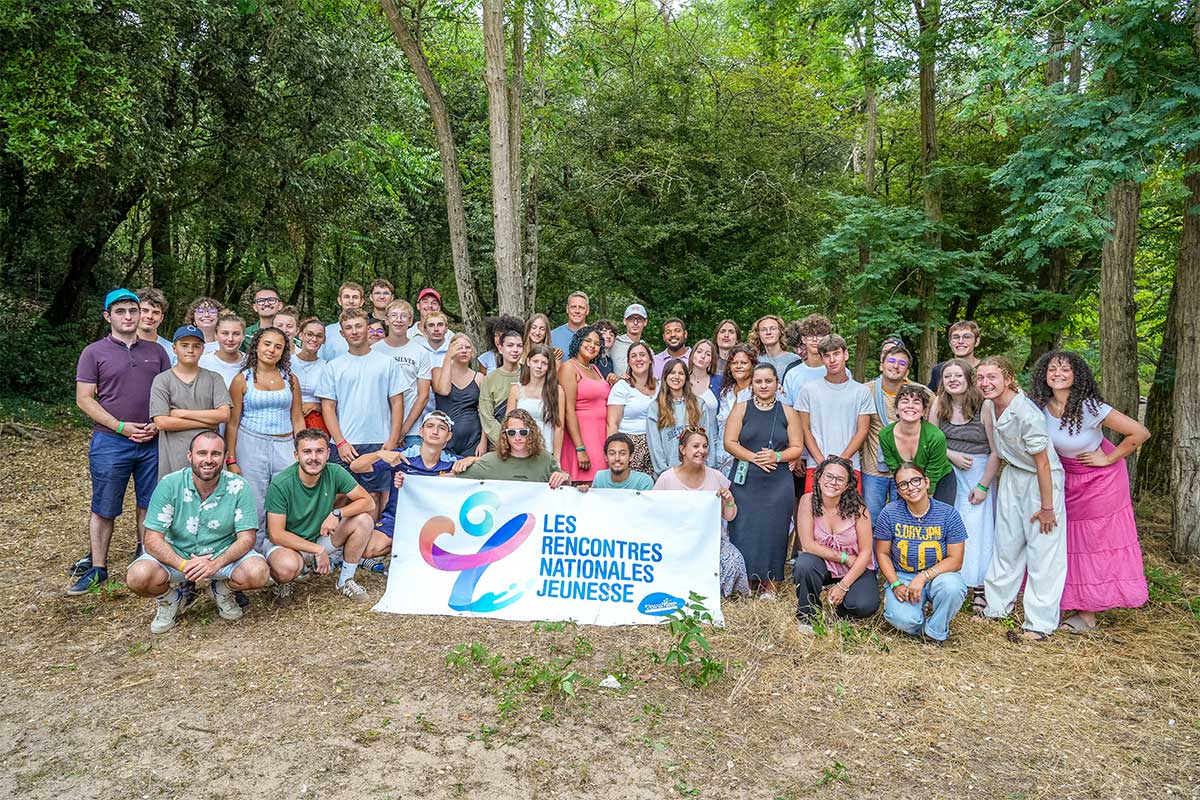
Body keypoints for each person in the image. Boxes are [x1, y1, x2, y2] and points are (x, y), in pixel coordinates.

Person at [1029, 351, 1149, 633]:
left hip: (1100, 481)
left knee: (1090, 544)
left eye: (1065, 370)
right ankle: (1063, 600)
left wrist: (1108, 458)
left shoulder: (1090, 407)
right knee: (1065, 541)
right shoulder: (1039, 407)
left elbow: (1140, 433)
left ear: (1077, 375)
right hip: (1063, 478)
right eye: (1052, 369)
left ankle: (1087, 613)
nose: (1057, 374)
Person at [69, 288, 173, 594]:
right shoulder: (94, 352)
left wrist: (157, 423)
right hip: (111, 441)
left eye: (132, 311)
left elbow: (168, 392)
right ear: (108, 316)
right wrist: (121, 427)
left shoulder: (156, 352)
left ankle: (147, 559)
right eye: (120, 312)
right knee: (104, 506)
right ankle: (98, 568)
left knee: (149, 503)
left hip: (152, 440)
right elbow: (84, 399)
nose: (128, 317)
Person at [126, 431, 269, 632]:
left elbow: (247, 538)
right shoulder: (170, 484)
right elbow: (151, 538)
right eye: (202, 453)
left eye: (215, 454)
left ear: (225, 457)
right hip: (177, 555)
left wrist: (215, 564)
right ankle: (169, 600)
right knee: (138, 577)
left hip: (222, 555)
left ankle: (221, 591)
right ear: (190, 456)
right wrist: (183, 565)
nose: (208, 460)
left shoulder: (238, 486)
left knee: (258, 572)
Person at [977, 356, 1067, 643]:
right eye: (981, 378)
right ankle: (996, 607)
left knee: (1043, 550)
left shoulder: (1027, 413)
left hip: (1041, 480)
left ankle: (1039, 622)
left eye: (992, 377)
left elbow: (1043, 463)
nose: (985, 383)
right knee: (1006, 543)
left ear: (1008, 378)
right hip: (1013, 475)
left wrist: (1047, 507)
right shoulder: (990, 405)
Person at [265, 429, 377, 603]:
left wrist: (337, 513)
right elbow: (276, 534)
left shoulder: (334, 472)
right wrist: (317, 550)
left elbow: (368, 502)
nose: (314, 458)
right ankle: (286, 582)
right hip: (288, 545)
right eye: (307, 452)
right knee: (287, 567)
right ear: (296, 455)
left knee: (364, 520)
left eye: (319, 451)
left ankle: (345, 580)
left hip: (319, 536)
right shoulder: (281, 483)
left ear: (328, 453)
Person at [723, 363, 805, 596]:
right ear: (751, 384)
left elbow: (797, 447)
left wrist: (776, 456)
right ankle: (744, 579)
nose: (763, 385)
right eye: (758, 381)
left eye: (768, 381)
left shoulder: (788, 412)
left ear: (777, 383)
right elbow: (729, 442)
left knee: (774, 528)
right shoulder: (741, 409)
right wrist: (754, 458)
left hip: (778, 480)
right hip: (746, 477)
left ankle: (771, 582)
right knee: (743, 527)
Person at [318, 308, 408, 516]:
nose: (355, 331)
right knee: (340, 496)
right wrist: (340, 442)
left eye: (359, 326)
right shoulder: (333, 366)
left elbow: (397, 403)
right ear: (342, 333)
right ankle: (338, 536)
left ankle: (370, 537)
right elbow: (328, 407)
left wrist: (392, 440)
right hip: (345, 442)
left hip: (378, 440)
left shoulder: (387, 363)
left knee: (374, 496)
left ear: (368, 328)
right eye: (349, 328)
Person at [350, 411, 460, 573]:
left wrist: (471, 461)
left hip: (434, 520)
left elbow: (485, 470)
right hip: (398, 517)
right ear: (421, 431)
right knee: (370, 549)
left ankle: (413, 552)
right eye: (430, 426)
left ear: (448, 436)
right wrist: (379, 454)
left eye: (441, 428)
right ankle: (405, 549)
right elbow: (356, 467)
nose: (435, 431)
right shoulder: (404, 456)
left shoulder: (452, 461)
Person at [929, 358, 998, 612]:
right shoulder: (939, 403)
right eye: (948, 376)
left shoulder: (984, 405)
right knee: (951, 524)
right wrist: (951, 455)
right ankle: (951, 580)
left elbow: (996, 451)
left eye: (958, 375)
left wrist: (983, 485)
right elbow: (930, 439)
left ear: (969, 378)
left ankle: (980, 585)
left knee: (979, 528)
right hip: (949, 471)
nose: (953, 380)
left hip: (980, 471)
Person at [226, 327, 304, 551]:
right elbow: (232, 422)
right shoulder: (242, 379)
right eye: (267, 344)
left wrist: (301, 451)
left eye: (278, 347)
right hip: (251, 443)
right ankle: (252, 552)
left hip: (285, 444)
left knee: (286, 497)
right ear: (257, 346)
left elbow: (297, 418)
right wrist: (231, 459)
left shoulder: (290, 379)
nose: (272, 350)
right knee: (254, 500)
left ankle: (281, 552)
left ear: (284, 352)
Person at [874, 462, 969, 643]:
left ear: (926, 482)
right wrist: (895, 584)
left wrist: (923, 576)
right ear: (899, 491)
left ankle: (935, 631)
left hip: (937, 576)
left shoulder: (948, 514)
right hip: (903, 576)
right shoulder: (890, 513)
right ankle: (919, 622)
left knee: (952, 587)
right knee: (901, 619)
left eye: (915, 480)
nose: (911, 487)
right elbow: (882, 554)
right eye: (903, 484)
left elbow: (956, 560)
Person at [653, 427, 749, 599]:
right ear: (682, 449)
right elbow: (653, 512)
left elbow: (730, 516)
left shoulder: (717, 477)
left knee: (734, 559)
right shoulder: (667, 479)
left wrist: (729, 500)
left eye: (705, 446)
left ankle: (719, 597)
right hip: (677, 541)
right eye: (696, 446)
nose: (702, 451)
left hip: (711, 542)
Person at [792, 456, 879, 632]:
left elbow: (865, 553)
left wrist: (842, 586)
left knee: (865, 605)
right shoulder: (807, 501)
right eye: (829, 476)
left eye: (840, 479)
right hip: (824, 563)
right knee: (804, 564)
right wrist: (844, 557)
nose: (833, 482)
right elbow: (808, 545)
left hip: (855, 567)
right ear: (819, 478)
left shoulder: (859, 509)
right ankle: (808, 615)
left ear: (847, 486)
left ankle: (841, 612)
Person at [149, 325, 232, 478]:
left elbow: (224, 415)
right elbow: (161, 422)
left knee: (213, 491)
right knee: (176, 491)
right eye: (184, 345)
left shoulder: (214, 378)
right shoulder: (162, 380)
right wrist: (208, 423)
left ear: (203, 349)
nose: (190, 350)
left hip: (210, 456)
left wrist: (180, 413)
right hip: (174, 455)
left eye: (196, 346)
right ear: (174, 348)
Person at [794, 334, 873, 492]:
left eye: (836, 354)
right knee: (813, 506)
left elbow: (863, 430)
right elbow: (804, 428)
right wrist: (821, 462)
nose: (832, 360)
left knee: (850, 508)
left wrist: (841, 461)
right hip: (816, 465)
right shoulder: (808, 390)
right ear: (822, 359)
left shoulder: (861, 391)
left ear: (846, 354)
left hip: (850, 465)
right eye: (827, 356)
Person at [859, 341, 916, 523]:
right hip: (873, 469)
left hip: (906, 467)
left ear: (907, 372)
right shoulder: (865, 391)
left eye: (902, 363)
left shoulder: (917, 394)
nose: (896, 366)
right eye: (891, 361)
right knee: (872, 519)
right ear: (881, 365)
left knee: (904, 518)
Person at [450, 409, 571, 486]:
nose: (517, 438)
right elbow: (450, 480)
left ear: (532, 433)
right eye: (512, 433)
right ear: (505, 435)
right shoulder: (490, 460)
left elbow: (566, 487)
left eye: (523, 432)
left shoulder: (545, 459)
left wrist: (565, 478)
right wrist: (433, 481)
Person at [879, 384, 955, 503]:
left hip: (939, 480)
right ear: (896, 409)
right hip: (906, 480)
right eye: (905, 401)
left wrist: (925, 499)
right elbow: (894, 466)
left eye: (916, 402)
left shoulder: (935, 436)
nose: (910, 406)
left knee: (936, 513)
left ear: (923, 411)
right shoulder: (885, 435)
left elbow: (933, 472)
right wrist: (907, 489)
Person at [373, 300, 433, 447]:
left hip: (411, 430)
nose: (398, 320)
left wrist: (403, 430)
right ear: (386, 320)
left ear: (410, 321)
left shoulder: (421, 352)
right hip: (380, 429)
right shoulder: (374, 350)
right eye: (394, 315)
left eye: (404, 316)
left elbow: (423, 395)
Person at [646, 358, 717, 477]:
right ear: (665, 377)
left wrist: (709, 469)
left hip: (697, 472)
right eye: (672, 373)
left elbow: (707, 437)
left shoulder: (699, 404)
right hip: (669, 473)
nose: (676, 377)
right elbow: (655, 445)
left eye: (681, 373)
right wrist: (664, 473)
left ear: (686, 378)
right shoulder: (655, 407)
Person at [558, 326, 611, 483]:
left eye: (597, 344)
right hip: (582, 438)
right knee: (584, 484)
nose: (592, 346)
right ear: (578, 343)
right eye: (587, 341)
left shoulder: (594, 368)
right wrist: (580, 448)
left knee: (601, 485)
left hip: (600, 436)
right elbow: (568, 410)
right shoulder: (568, 367)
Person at [507, 343, 565, 464]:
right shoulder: (516, 390)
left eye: (544, 363)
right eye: (535, 361)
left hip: (546, 448)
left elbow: (559, 427)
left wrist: (556, 459)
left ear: (549, 366)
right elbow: (508, 424)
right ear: (528, 362)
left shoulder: (557, 391)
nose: (539, 366)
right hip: (520, 449)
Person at [605, 341, 657, 474]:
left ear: (650, 360)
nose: (638, 359)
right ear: (629, 362)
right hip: (630, 446)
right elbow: (612, 424)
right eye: (633, 356)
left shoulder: (660, 387)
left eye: (642, 355)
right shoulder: (621, 387)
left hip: (656, 446)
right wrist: (615, 453)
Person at [433, 332, 486, 457]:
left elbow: (485, 412)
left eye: (467, 348)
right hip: (444, 438)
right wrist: (448, 357)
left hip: (473, 438)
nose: (464, 351)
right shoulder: (437, 371)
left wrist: (483, 442)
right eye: (459, 348)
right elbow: (444, 390)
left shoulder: (479, 377)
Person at [780, 314, 846, 404]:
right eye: (810, 336)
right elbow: (786, 407)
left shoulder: (841, 371)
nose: (815, 339)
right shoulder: (792, 374)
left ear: (826, 338)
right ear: (803, 339)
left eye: (819, 335)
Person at [713, 344, 756, 475]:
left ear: (753, 365)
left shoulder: (759, 392)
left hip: (750, 459)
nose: (738, 366)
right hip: (723, 458)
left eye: (744, 363)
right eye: (734, 363)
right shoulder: (726, 393)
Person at [480, 326, 525, 447]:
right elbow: (486, 414)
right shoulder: (489, 379)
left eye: (519, 346)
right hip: (498, 442)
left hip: (525, 438)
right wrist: (504, 438)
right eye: (510, 345)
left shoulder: (529, 374)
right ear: (500, 348)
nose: (515, 350)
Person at [292, 317, 329, 432]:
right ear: (301, 335)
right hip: (288, 417)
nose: (314, 339)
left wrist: (314, 406)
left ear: (324, 340)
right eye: (309, 334)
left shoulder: (327, 367)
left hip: (315, 419)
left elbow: (334, 404)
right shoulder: (287, 362)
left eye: (319, 336)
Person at [928, 320, 981, 391]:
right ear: (950, 342)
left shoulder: (985, 369)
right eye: (956, 337)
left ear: (977, 341)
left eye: (967, 337)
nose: (960, 341)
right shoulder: (939, 370)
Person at [198, 312, 246, 388]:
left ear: (243, 336)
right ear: (216, 335)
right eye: (225, 333)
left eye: (236, 334)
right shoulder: (202, 363)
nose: (230, 339)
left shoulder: (251, 362)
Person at [319, 281, 365, 360]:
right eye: (346, 297)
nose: (351, 301)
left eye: (355, 297)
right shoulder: (326, 332)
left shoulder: (370, 331)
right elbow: (318, 361)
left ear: (362, 302)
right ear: (339, 300)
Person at [136, 287, 174, 365]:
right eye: (145, 311)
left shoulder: (172, 351)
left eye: (155, 313)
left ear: (161, 318)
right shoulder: (120, 346)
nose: (150, 316)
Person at [611, 304, 650, 377]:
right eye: (631, 319)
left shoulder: (647, 349)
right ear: (625, 321)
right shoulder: (613, 344)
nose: (635, 323)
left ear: (645, 322)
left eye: (639, 320)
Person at [551, 291, 591, 359]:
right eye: (573, 307)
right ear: (567, 309)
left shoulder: (595, 336)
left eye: (581, 307)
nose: (577, 311)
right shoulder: (552, 336)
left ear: (587, 310)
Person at [687, 339, 720, 413]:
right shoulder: (681, 380)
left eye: (708, 354)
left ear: (712, 360)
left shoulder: (719, 382)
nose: (703, 356)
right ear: (692, 355)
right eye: (699, 352)